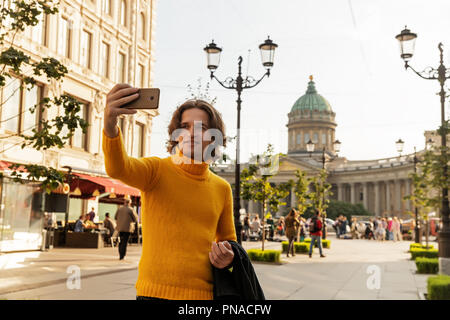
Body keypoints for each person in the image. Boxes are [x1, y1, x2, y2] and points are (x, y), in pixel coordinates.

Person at [103, 86, 237, 300]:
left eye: (201, 127)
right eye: (184, 127)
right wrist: (110, 124)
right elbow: (118, 168)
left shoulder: (222, 188)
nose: (191, 133)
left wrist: (228, 257)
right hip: (153, 294)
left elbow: (228, 242)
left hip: (204, 297)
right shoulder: (156, 171)